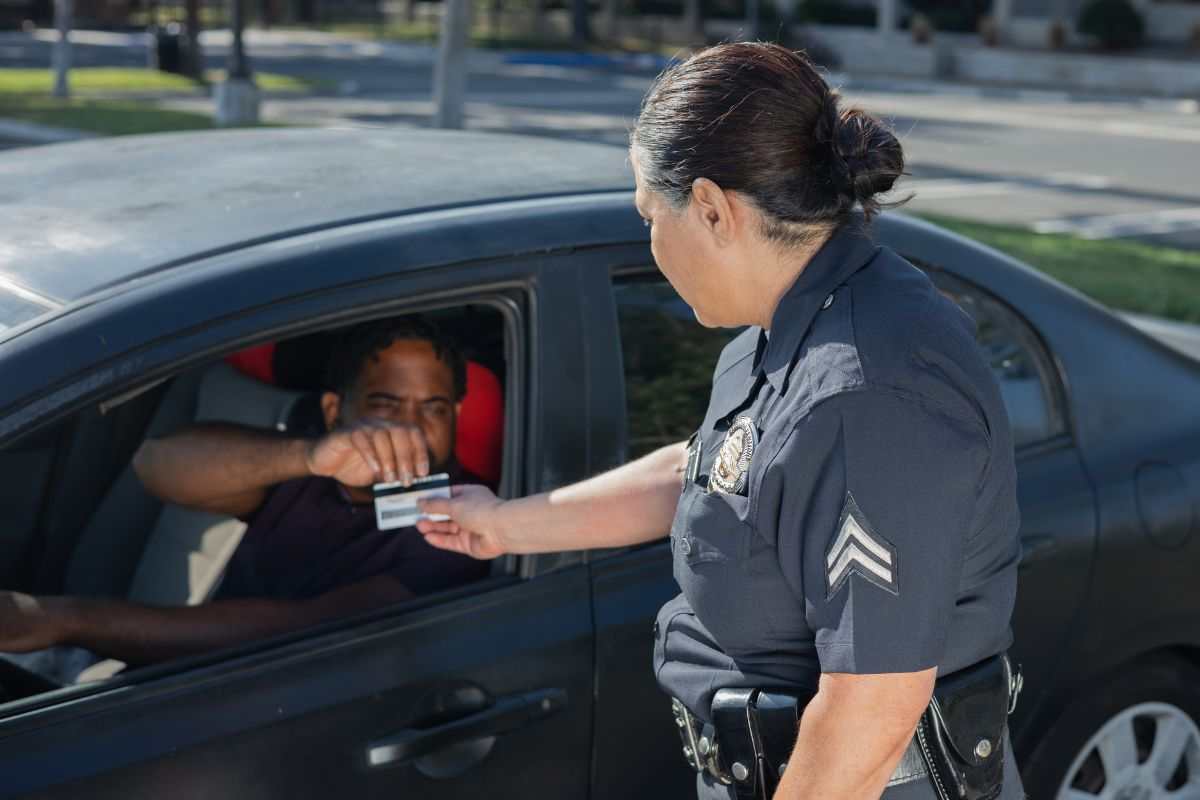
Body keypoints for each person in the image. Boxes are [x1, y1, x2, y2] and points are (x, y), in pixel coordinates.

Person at [416, 43, 1024, 800]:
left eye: (648, 215)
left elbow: (871, 709)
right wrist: (504, 525)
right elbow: (712, 472)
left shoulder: (862, 395)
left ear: (711, 207)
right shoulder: (788, 328)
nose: (650, 242)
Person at [0, 316, 489, 672]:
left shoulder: (462, 518)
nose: (407, 426)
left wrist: (64, 618)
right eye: (385, 404)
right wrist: (309, 456)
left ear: (457, 417)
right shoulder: (317, 463)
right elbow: (157, 466)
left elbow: (292, 631)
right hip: (178, 684)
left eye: (434, 409)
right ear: (334, 408)